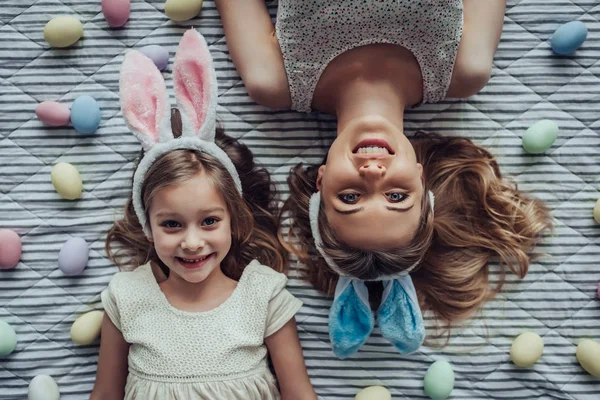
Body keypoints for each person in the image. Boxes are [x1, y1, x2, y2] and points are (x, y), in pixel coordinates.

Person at [216, 0, 553, 358]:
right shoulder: (465, 69)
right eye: (396, 196)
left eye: (349, 198)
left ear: (322, 181)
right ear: (422, 182)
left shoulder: (273, 80)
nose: (373, 173)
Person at [90, 30, 317, 400]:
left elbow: (300, 394)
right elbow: (104, 395)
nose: (192, 242)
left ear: (234, 220)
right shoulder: (127, 297)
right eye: (172, 224)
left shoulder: (263, 295)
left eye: (209, 221)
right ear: (149, 227)